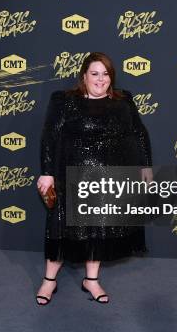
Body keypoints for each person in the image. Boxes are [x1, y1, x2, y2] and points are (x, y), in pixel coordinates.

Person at [35, 52, 153, 306]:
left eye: (106, 74)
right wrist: (47, 172)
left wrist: (145, 166)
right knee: (61, 230)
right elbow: (50, 137)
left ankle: (91, 279)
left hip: (107, 178)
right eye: (95, 73)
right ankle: (49, 281)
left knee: (99, 230)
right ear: (84, 76)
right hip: (71, 178)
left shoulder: (124, 101)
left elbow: (139, 133)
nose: (101, 79)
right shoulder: (64, 101)